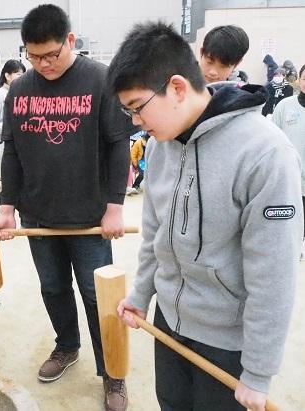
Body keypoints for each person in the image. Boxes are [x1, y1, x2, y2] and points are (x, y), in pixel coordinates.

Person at [108, 22, 302, 411]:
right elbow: (154, 236)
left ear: (177, 88)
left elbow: (274, 273)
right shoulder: (162, 146)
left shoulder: (265, 154)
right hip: (170, 322)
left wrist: (258, 372)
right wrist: (141, 295)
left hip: (227, 341)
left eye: (137, 108)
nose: (135, 122)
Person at [0, 5, 133, 411]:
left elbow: (117, 145)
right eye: (33, 56)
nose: (43, 64)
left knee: (97, 295)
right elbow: (12, 154)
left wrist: (114, 207)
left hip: (90, 217)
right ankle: (67, 346)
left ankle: (113, 372)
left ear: (70, 40)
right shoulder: (19, 92)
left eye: (51, 54)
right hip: (39, 217)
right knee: (53, 287)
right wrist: (7, 206)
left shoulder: (100, 80)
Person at [273, 64, 305, 259]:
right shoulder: (285, 106)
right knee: (292, 215)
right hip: (290, 175)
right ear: (299, 80)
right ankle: (295, 245)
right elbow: (272, 137)